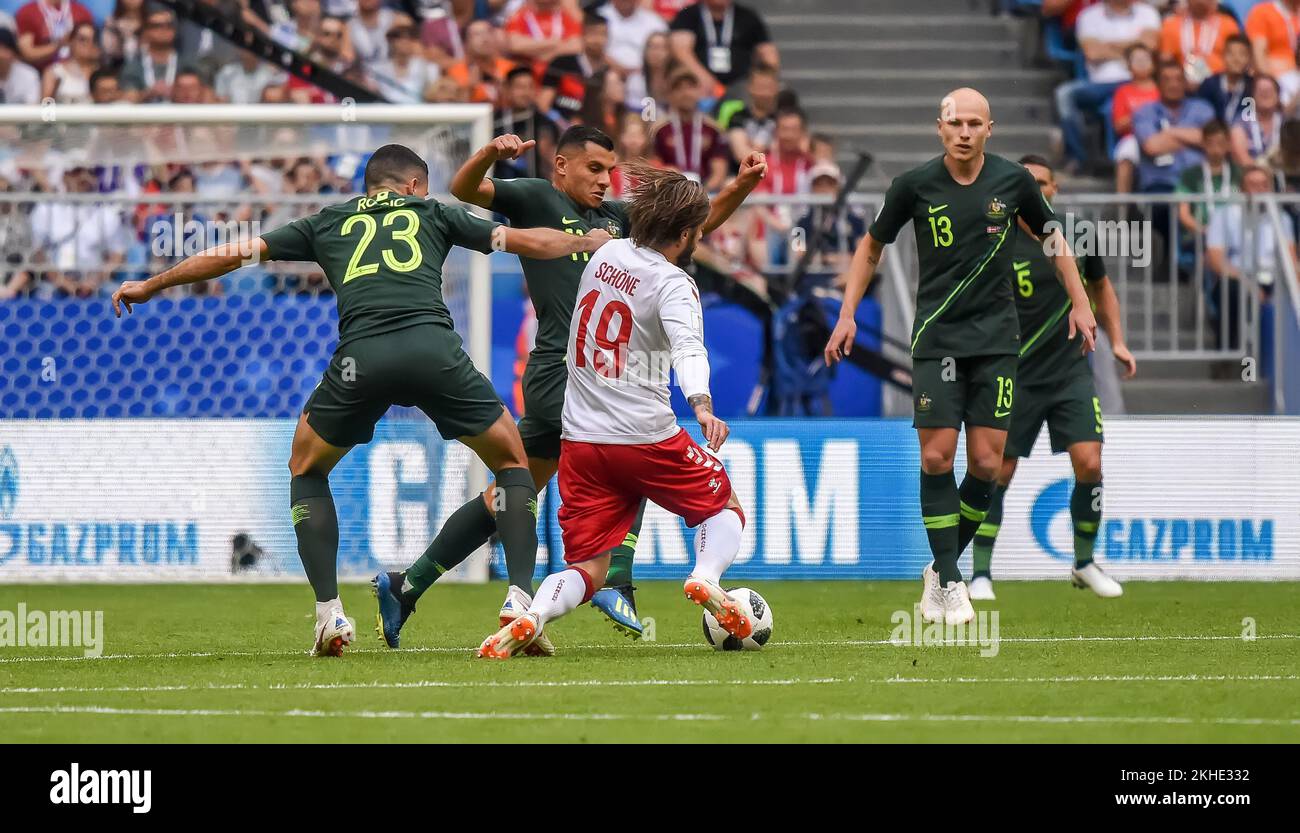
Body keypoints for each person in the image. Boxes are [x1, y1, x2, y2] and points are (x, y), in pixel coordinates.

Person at [110, 144, 611, 657]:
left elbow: (234, 253)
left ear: (368, 187)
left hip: (360, 363)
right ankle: (519, 601)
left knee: (306, 467)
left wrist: (153, 283)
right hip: (433, 354)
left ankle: (329, 615)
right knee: (512, 462)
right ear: (415, 186)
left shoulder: (328, 221)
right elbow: (528, 242)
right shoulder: (433, 211)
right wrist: (587, 242)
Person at [372, 126, 765, 647]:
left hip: (584, 384)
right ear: (561, 166)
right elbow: (468, 191)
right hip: (569, 376)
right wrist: (490, 152)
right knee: (632, 450)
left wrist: (738, 187)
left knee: (510, 491)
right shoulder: (537, 197)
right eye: (595, 169)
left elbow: (688, 226)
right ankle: (614, 582)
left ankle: (408, 585)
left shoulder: (616, 229)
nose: (606, 181)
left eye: (611, 171)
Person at [823, 88, 1098, 626]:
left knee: (989, 466)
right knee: (936, 458)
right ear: (940, 128)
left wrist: (1081, 303)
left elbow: (1054, 240)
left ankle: (938, 570)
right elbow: (871, 246)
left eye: (975, 123)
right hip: (938, 341)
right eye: (957, 123)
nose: (966, 132)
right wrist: (848, 312)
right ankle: (952, 580)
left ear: (989, 129)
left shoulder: (1013, 182)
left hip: (997, 343)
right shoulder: (914, 185)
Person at [476, 164, 752, 659]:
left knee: (589, 568)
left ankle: (532, 615)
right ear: (686, 234)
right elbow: (689, 349)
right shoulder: (674, 284)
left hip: (580, 442)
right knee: (723, 505)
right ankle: (706, 579)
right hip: (645, 437)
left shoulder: (604, 253)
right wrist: (703, 406)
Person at [968, 155, 1135, 602]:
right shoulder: (993, 239)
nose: (1036, 191)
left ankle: (1083, 563)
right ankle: (980, 572)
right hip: (1015, 374)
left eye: (1042, 183)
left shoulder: (1076, 232)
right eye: (1026, 183)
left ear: (1055, 189)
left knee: (1090, 463)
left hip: (1068, 372)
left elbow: (1100, 286)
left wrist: (1117, 340)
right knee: (997, 472)